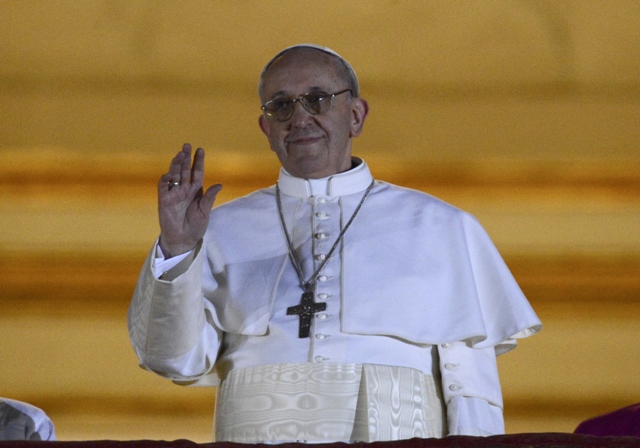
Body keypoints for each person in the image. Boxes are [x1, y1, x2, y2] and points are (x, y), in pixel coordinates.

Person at [128, 44, 541, 443]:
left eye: (318, 99)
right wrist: (179, 248)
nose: (300, 118)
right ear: (266, 128)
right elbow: (174, 360)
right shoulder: (215, 230)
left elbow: (470, 387)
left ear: (356, 116)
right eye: (281, 106)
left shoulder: (442, 227)